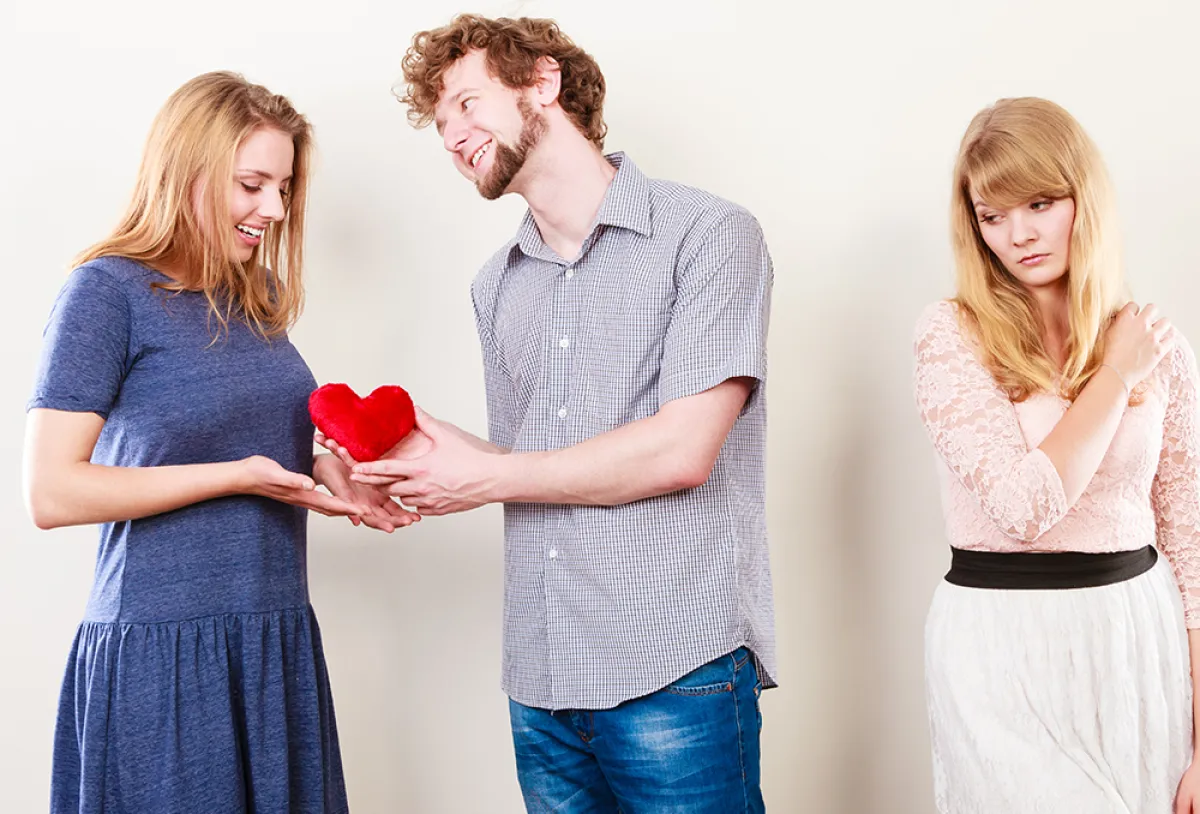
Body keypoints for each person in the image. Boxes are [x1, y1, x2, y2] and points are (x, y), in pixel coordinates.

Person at [319, 14, 775, 811]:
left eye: (466, 103)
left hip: (675, 672)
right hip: (542, 686)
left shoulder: (708, 236)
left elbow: (683, 450)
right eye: (440, 123)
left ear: (542, 81)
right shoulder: (496, 286)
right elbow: (528, 462)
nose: (452, 136)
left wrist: (482, 478)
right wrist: (425, 452)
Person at [24, 70, 413, 813]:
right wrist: (235, 476)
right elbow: (51, 491)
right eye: (252, 185)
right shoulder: (105, 294)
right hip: (162, 654)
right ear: (187, 173)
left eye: (284, 188)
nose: (275, 210)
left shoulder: (255, 294)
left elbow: (253, 439)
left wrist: (326, 472)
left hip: (271, 641)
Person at [913, 96, 1200, 813]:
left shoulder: (1155, 344)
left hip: (1136, 640)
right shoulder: (951, 335)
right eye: (993, 215)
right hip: (1000, 646)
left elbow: (1192, 548)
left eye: (1040, 203)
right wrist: (1116, 376)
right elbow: (1023, 508)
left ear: (1083, 198)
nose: (1019, 235)